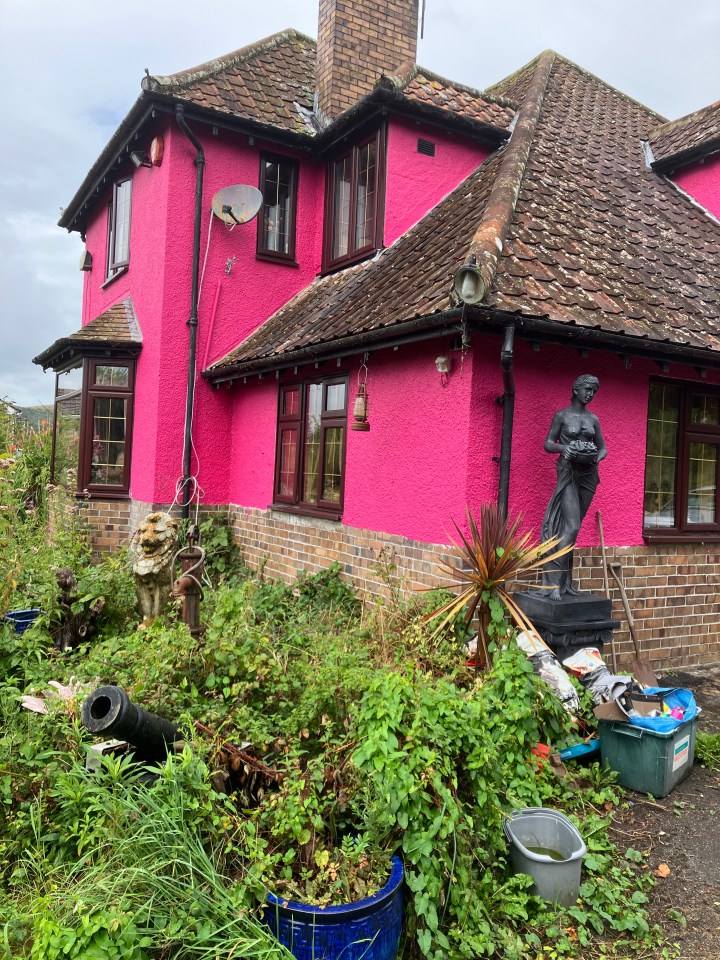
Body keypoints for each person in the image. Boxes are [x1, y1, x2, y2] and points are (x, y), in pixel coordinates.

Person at [540, 375, 607, 600]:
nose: (590, 394)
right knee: (572, 526)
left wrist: (595, 457)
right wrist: (565, 449)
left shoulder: (594, 419)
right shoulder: (562, 416)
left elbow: (603, 448)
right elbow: (548, 443)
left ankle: (566, 584)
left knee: (571, 532)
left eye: (594, 391)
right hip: (568, 472)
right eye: (587, 389)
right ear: (576, 389)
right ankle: (553, 585)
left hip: (588, 476)